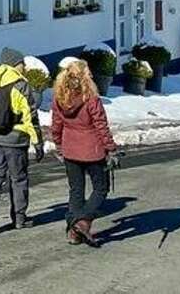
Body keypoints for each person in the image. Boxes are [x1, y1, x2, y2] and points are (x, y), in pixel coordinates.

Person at [49, 59, 119, 247]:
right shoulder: (92, 99)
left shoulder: (59, 97)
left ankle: (74, 232)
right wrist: (111, 148)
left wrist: (59, 145)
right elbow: (101, 126)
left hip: (70, 149)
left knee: (76, 190)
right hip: (92, 150)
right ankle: (82, 222)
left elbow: (56, 125)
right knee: (101, 188)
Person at [0, 46, 42, 233]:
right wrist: (38, 142)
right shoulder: (21, 86)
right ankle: (19, 218)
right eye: (22, 63)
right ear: (15, 63)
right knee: (18, 178)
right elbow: (31, 116)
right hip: (16, 140)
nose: (25, 67)